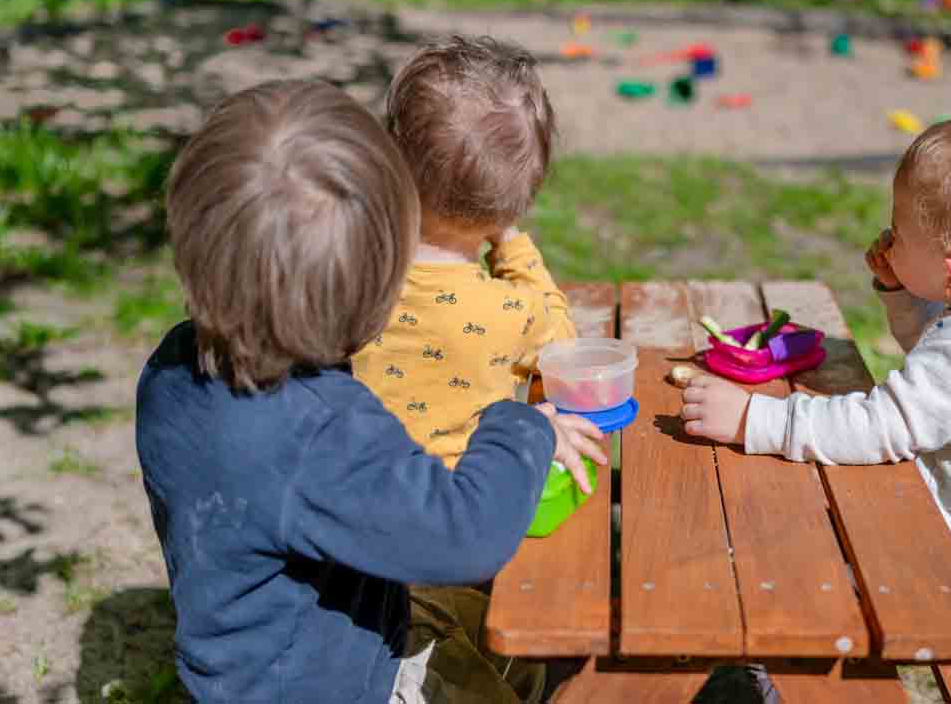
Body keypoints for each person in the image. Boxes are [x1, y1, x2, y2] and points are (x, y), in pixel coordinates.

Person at [135, 79, 604, 704]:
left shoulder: (171, 368)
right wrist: (520, 426)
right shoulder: (320, 430)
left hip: (241, 667)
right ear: (370, 294)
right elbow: (466, 536)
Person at [681, 98, 951, 627]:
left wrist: (755, 419)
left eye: (901, 233)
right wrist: (903, 293)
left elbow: (879, 426)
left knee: (766, 569)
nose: (889, 238)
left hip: (936, 577)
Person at [353, 36, 578, 477]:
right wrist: (510, 245)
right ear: (514, 204)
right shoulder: (511, 311)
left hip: (361, 488)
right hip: (469, 500)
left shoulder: (352, 275)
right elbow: (563, 347)